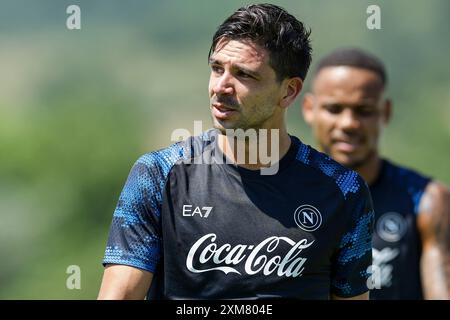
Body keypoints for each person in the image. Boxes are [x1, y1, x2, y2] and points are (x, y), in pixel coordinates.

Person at [98, 4, 374, 300]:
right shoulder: (159, 174)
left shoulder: (343, 191)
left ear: (289, 91)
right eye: (217, 68)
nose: (221, 86)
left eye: (244, 75)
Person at [302, 48, 450, 299]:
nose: (348, 123)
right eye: (334, 109)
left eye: (364, 111)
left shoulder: (428, 201)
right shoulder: (280, 194)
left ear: (386, 112)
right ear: (309, 109)